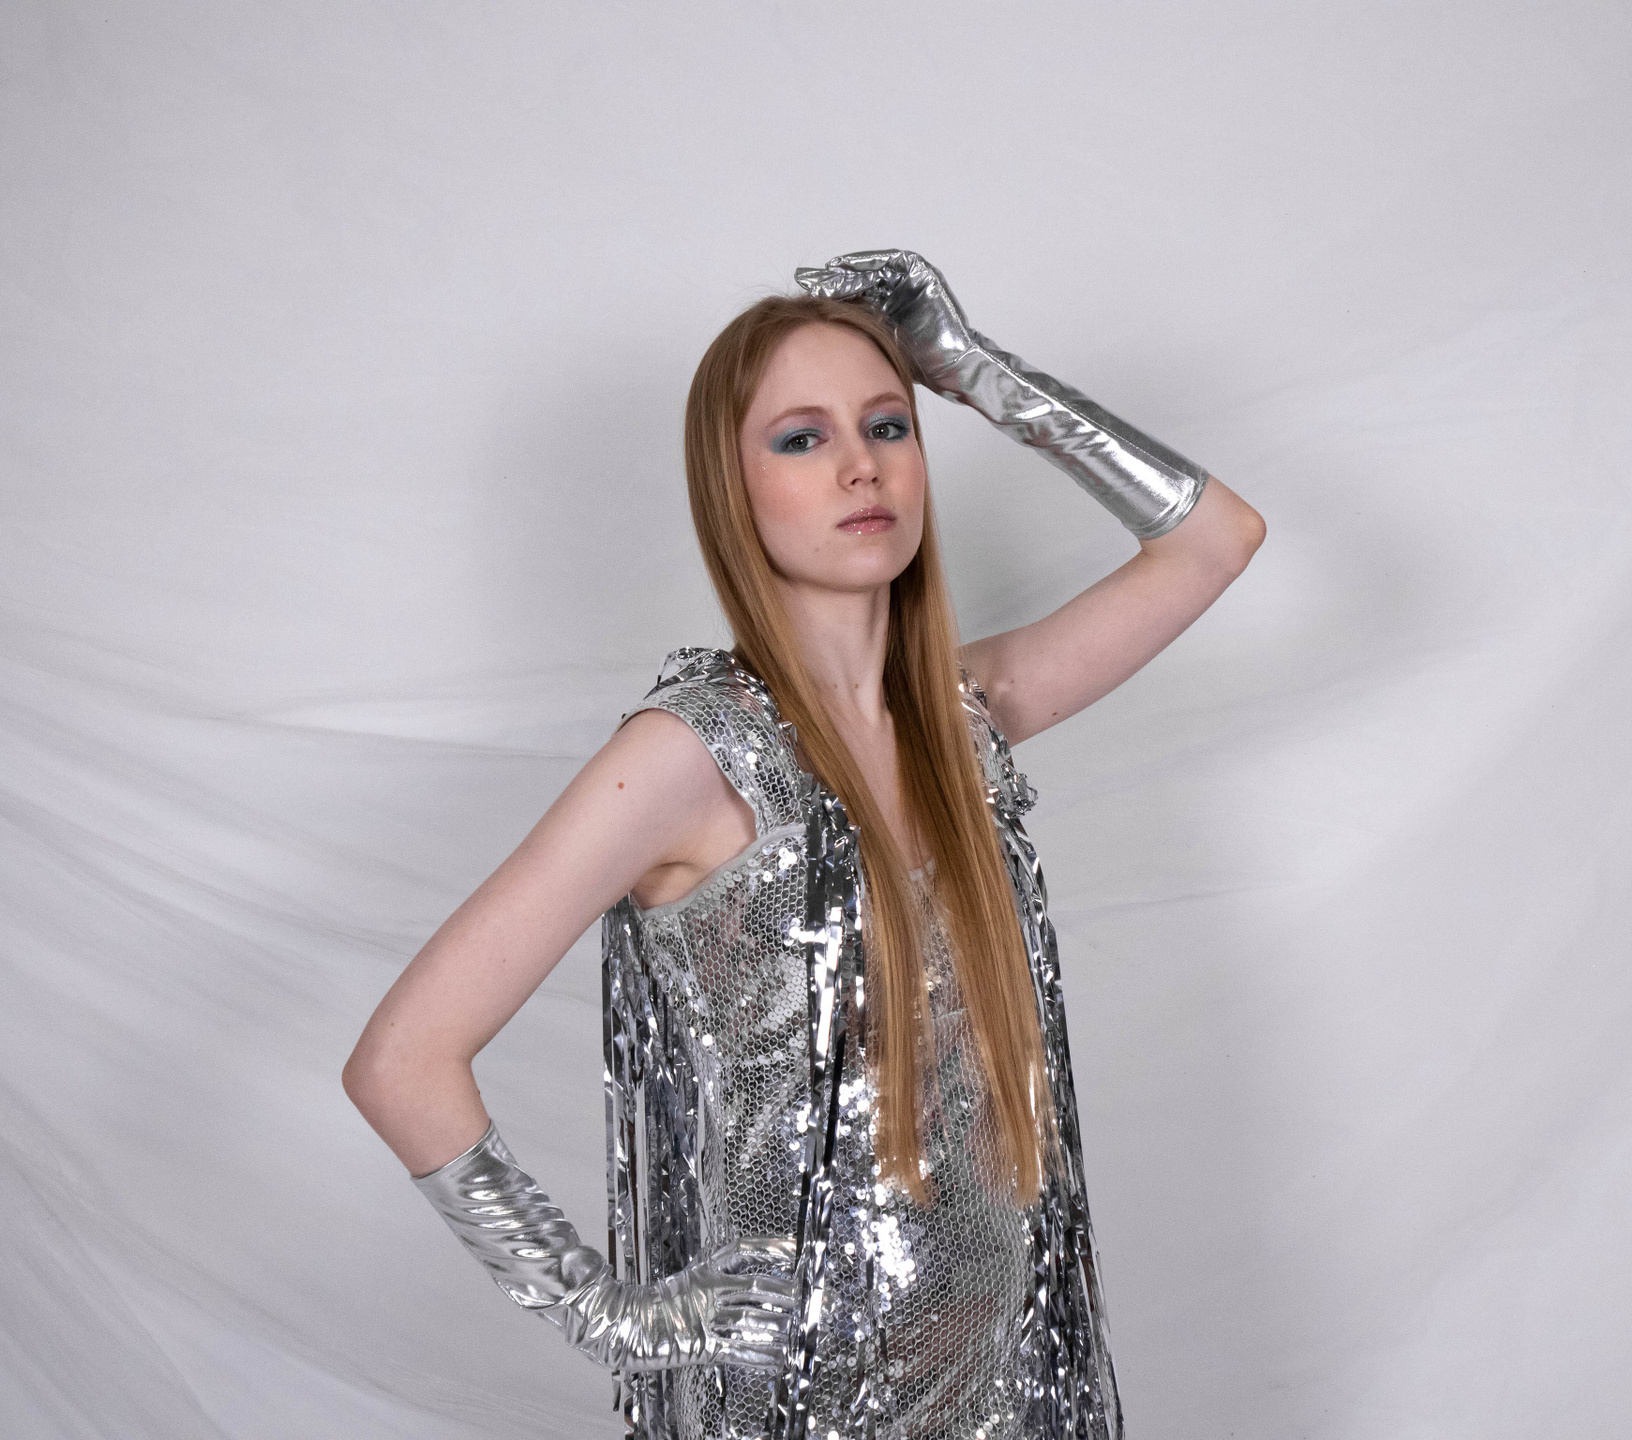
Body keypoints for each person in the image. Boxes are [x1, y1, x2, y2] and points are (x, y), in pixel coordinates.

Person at [343, 248, 1266, 1439]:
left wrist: (978, 371)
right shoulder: (691, 756)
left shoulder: (963, 716)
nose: (859, 464)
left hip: (1006, 1379)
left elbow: (1216, 540)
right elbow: (404, 1059)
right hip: (802, 1397)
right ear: (731, 489)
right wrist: (614, 1318)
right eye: (800, 438)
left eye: (887, 425)